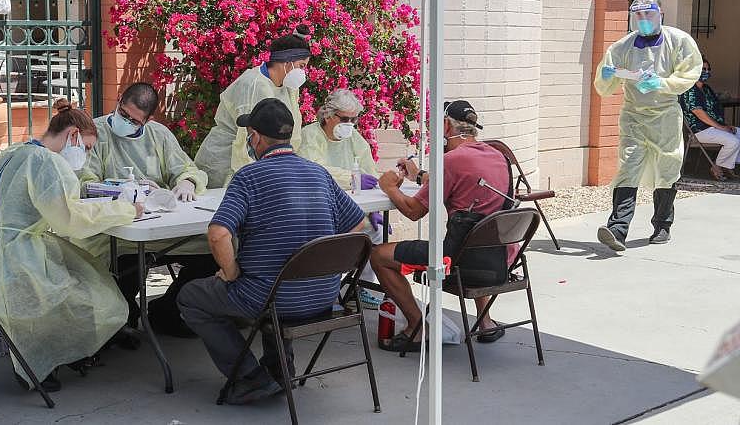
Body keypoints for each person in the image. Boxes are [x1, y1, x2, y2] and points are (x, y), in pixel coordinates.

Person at [177, 98, 365, 405]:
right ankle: (280, 369)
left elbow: (218, 233)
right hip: (325, 296)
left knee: (192, 297)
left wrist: (231, 271)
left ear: (255, 137)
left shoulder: (249, 178)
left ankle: (250, 378)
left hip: (271, 298)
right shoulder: (319, 174)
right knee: (276, 276)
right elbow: (358, 224)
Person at [0, 99, 142, 392]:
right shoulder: (47, 163)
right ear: (73, 136)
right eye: (88, 149)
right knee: (99, 293)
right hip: (18, 261)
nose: (87, 156)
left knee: (88, 277)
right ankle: (41, 362)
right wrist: (126, 209)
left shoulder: (17, 151)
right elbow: (70, 220)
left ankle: (59, 356)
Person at [371, 100, 513, 352]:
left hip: (458, 260)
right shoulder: (497, 155)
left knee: (379, 255)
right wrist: (419, 175)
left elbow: (414, 212)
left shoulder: (451, 161)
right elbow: (457, 181)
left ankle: (416, 327)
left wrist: (390, 188)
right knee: (478, 232)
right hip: (498, 257)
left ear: (446, 126)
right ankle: (485, 321)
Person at [76, 82, 215, 337]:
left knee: (211, 253)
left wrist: (186, 182)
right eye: (123, 113)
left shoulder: (158, 135)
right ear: (118, 101)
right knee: (129, 265)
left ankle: (166, 311)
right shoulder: (96, 132)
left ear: (148, 120)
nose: (126, 122)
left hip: (162, 228)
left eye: (135, 121)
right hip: (118, 231)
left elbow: (188, 169)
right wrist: (122, 190)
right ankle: (121, 318)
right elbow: (85, 183)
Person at [594, 0, 702, 251]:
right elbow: (604, 86)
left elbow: (689, 72)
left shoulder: (679, 41)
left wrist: (663, 83)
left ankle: (663, 225)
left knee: (667, 169)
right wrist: (607, 74)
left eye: (648, 14)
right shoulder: (622, 47)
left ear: (660, 14)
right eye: (638, 15)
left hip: (664, 115)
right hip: (634, 116)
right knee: (628, 167)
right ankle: (617, 229)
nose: (643, 20)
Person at [195, 25, 311, 187]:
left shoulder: (290, 87)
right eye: (301, 66)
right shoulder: (253, 84)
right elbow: (245, 144)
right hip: (225, 164)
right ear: (286, 62)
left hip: (262, 164)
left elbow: (294, 133)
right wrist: (259, 182)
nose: (303, 72)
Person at [297, 89, 383, 308]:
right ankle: (323, 291)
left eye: (354, 119)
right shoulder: (310, 135)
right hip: (319, 210)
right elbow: (315, 170)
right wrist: (351, 179)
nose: (350, 124)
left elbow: (369, 170)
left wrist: (374, 208)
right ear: (328, 115)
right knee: (328, 245)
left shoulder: (353, 137)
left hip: (351, 211)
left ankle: (360, 287)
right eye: (345, 119)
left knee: (377, 233)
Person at [680, 59, 740, 181]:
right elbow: (698, 112)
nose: (706, 72)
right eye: (703, 69)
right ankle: (717, 167)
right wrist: (721, 127)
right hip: (699, 131)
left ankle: (728, 165)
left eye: (708, 69)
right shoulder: (689, 90)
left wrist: (725, 125)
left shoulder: (706, 89)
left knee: (738, 133)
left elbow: (714, 111)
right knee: (733, 141)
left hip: (714, 127)